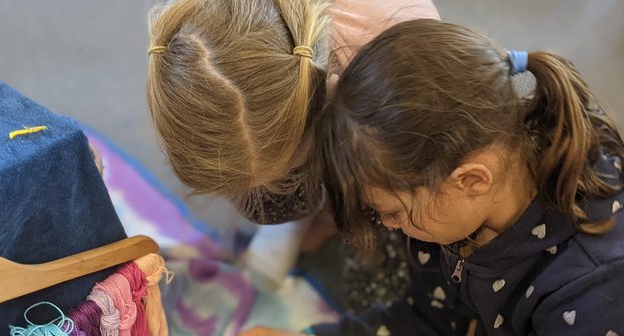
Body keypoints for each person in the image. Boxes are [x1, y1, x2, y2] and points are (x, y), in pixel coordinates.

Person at [232, 19, 624, 336]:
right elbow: (426, 315)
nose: (389, 226)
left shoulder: (594, 286)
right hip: (514, 307)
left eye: (392, 212)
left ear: (471, 180)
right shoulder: (445, 204)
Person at [146, 0, 439, 297]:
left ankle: (322, 214)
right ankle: (296, 215)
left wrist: (331, 222)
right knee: (263, 194)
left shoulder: (400, 69)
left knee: (381, 216)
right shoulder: (202, 26)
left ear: (327, 99)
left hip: (387, 107)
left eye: (288, 167)